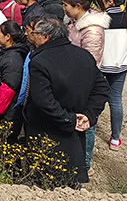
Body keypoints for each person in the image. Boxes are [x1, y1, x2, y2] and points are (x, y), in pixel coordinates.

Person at [23, 17, 109, 183]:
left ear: (45, 37)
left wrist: (68, 119)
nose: (31, 36)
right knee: (72, 176)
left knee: (46, 180)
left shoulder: (40, 61)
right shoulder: (84, 55)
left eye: (35, 34)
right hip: (76, 129)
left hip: (48, 127)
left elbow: (43, 100)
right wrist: (88, 115)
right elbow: (102, 88)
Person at [62, 0, 110, 173]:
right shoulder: (74, 22)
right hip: (72, 76)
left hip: (85, 82)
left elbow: (89, 62)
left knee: (87, 123)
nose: (64, 8)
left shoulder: (92, 31)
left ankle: (85, 164)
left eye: (66, 5)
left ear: (78, 6)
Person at [100, 0, 127, 151]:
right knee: (115, 100)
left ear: (110, 1)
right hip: (120, 65)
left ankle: (89, 128)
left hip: (102, 65)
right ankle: (115, 139)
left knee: (96, 97)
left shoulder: (102, 18)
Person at [0, 21, 31, 143]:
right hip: (1, 103)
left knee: (6, 140)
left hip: (8, 109)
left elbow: (9, 88)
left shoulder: (13, 59)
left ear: (8, 37)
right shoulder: (6, 51)